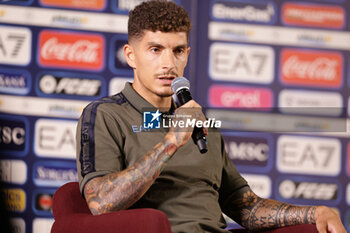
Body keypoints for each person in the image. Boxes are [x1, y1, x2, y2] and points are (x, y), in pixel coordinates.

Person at [76, 1, 347, 233]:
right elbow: (102, 202)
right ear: (131, 56)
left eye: (178, 51)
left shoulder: (200, 122)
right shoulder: (105, 115)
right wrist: (171, 142)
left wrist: (313, 214)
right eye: (155, 50)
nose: (168, 64)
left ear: (187, 55)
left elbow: (245, 207)